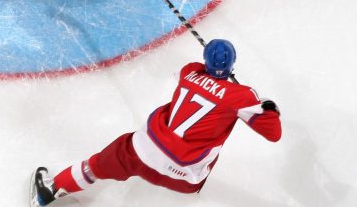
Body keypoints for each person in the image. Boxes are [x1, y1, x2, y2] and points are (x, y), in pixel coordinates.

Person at [30, 39, 282, 205]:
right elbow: (273, 133)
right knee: (211, 143)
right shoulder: (243, 96)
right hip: (185, 180)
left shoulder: (190, 72)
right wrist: (267, 106)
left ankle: (50, 191)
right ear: (232, 64)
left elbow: (190, 73)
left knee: (96, 165)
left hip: (142, 154)